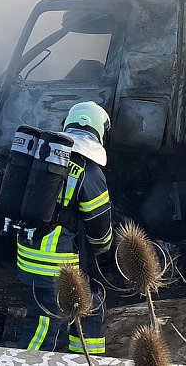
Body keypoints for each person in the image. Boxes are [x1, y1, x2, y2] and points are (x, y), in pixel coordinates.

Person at [15, 101, 113, 355]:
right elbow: (99, 222)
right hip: (57, 263)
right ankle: (27, 362)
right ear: (99, 132)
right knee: (45, 322)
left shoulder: (45, 157)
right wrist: (102, 247)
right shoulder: (88, 170)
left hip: (31, 253)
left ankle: (87, 359)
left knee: (89, 306)